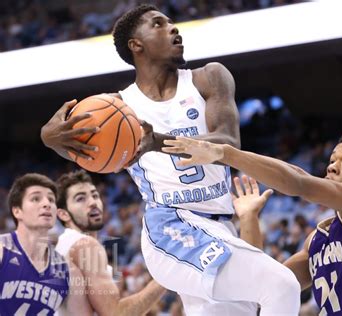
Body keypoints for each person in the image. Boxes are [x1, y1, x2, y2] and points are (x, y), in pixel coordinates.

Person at [40, 4, 301, 315]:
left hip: (220, 226)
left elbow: (228, 143)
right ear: (136, 45)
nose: (174, 28)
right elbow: (79, 148)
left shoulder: (209, 78)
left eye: (171, 22)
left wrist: (157, 143)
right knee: (281, 285)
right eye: (158, 24)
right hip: (172, 227)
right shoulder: (120, 108)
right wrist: (49, 137)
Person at [162, 129, 342, 315]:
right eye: (332, 161)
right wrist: (249, 218)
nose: (333, 168)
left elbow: (299, 182)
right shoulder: (316, 241)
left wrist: (224, 153)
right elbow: (261, 286)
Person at [54, 169, 165, 316]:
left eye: (94, 195)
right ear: (63, 214)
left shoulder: (65, 244)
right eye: (80, 198)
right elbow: (115, 314)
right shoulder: (83, 244)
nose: (93, 202)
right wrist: (164, 278)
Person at [0, 173, 86, 315]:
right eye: (36, 198)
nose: (47, 204)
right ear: (17, 211)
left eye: (51, 200)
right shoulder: (3, 249)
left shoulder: (68, 270)